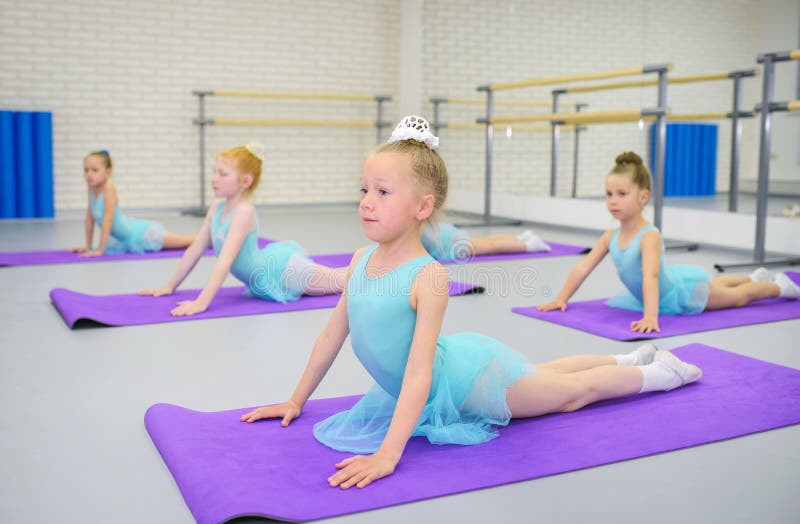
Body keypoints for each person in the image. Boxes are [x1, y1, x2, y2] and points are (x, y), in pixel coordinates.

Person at [240, 117, 703, 490]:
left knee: (568, 394)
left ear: (423, 207)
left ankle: (657, 373)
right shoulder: (361, 260)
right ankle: (623, 355)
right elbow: (330, 336)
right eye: (364, 189)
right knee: (547, 371)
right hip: (454, 370)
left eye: (383, 192)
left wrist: (388, 454)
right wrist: (295, 400)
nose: (367, 202)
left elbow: (419, 374)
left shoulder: (428, 276)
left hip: (470, 384)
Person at [537, 151, 800, 333]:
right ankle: (752, 275)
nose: (612, 201)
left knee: (737, 298)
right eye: (608, 194)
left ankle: (779, 287)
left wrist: (650, 316)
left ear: (643, 196)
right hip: (658, 292)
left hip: (676, 294)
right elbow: (583, 267)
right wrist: (561, 298)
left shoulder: (649, 236)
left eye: (621, 194)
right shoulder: (611, 236)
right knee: (714, 284)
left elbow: (650, 278)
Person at [139, 143, 346, 316]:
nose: (213, 178)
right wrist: (170, 286)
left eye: (222, 174)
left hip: (282, 271)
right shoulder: (217, 207)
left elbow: (225, 260)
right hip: (262, 277)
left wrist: (201, 302)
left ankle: (375, 269)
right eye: (214, 172)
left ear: (245, 181)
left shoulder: (243, 212)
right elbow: (195, 250)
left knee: (345, 282)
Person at [72, 150, 195, 256]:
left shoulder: (108, 189)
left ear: (108, 172)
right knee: (185, 242)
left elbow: (107, 221)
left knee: (187, 242)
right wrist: (88, 246)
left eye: (94, 170)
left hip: (141, 234)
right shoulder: (91, 189)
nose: (89, 174)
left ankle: (208, 238)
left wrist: (100, 250)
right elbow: (89, 219)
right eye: (86, 170)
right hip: (125, 235)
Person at [421, 222, 551, 262]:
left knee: (490, 246)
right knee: (486, 241)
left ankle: (529, 245)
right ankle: (519, 238)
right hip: (445, 234)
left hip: (449, 243)